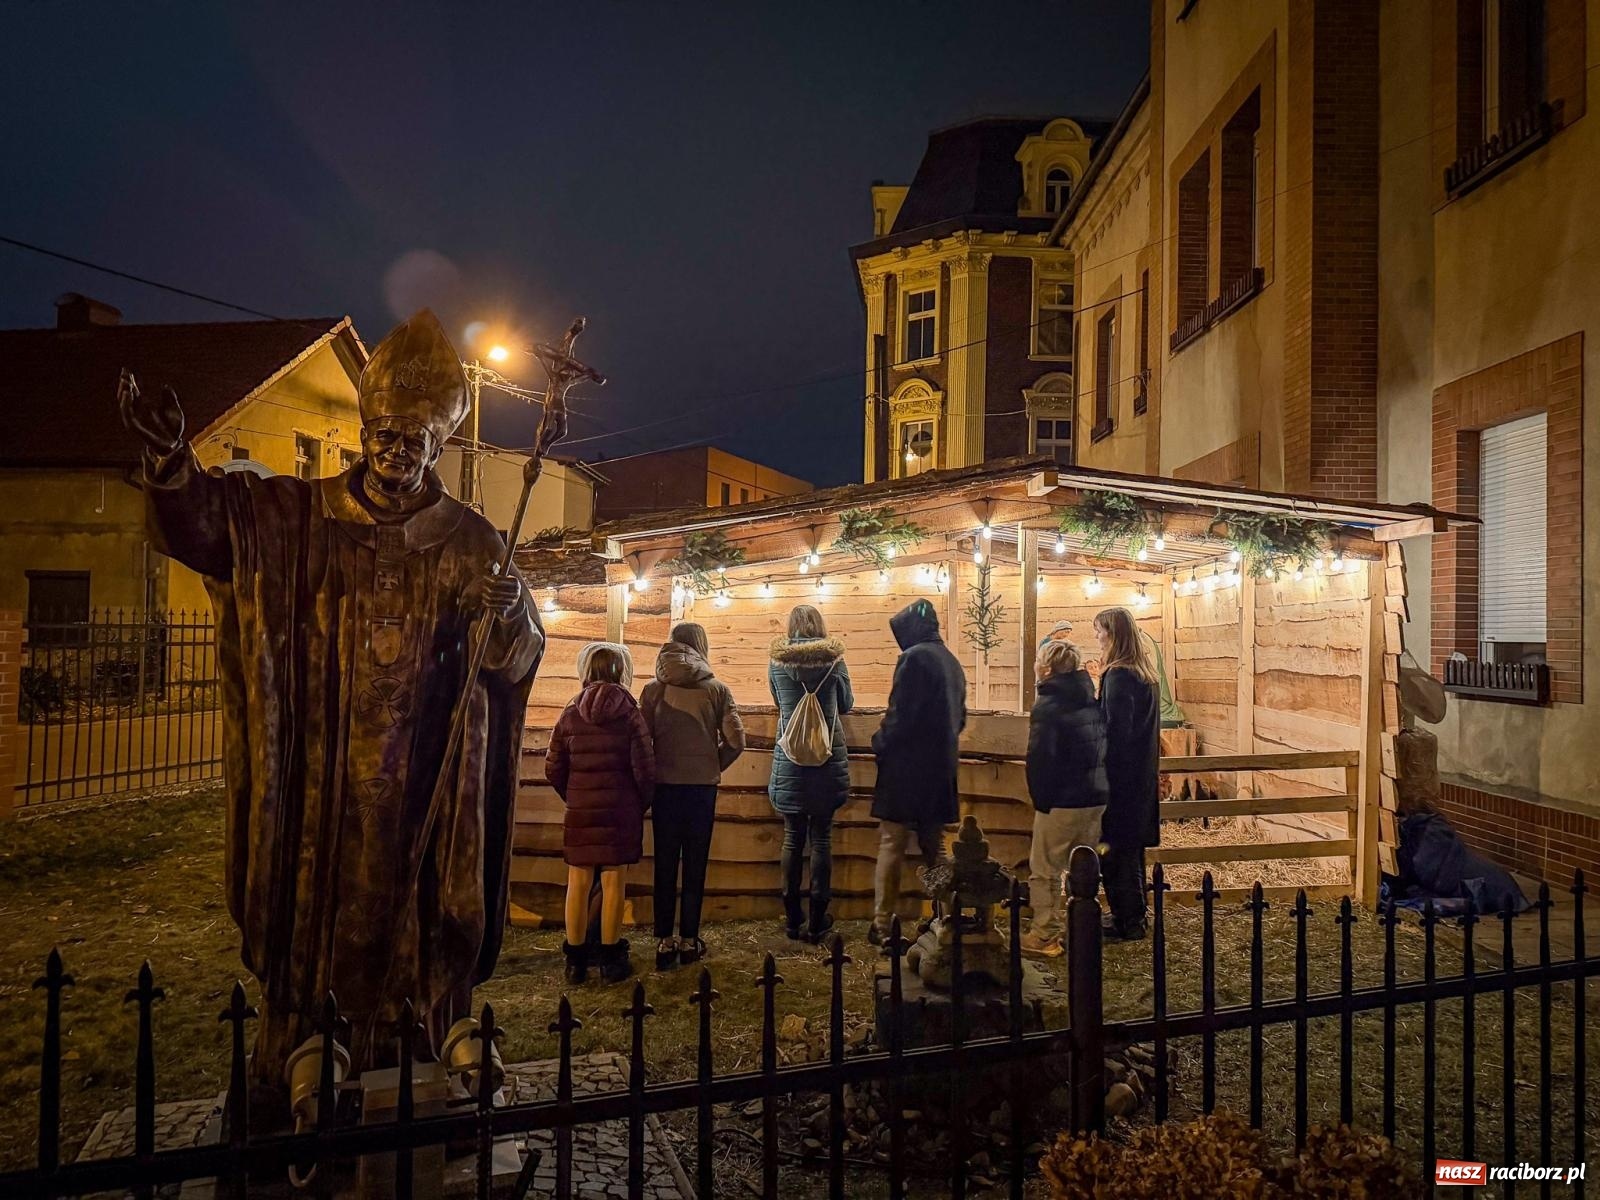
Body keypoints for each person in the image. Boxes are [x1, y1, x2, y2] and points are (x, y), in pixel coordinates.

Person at [120, 311, 544, 1091]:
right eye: (383, 435)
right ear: (363, 433)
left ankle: (426, 1041)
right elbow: (209, 528)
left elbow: (514, 663)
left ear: (436, 446)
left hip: (426, 783)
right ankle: (307, 1049)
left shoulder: (475, 541)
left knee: (423, 912)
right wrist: (170, 460)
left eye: (412, 439)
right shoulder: (293, 517)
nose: (394, 452)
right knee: (315, 908)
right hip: (322, 781)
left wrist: (508, 610)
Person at [546, 645, 655, 983]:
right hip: (620, 810)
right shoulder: (631, 714)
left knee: (577, 884)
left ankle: (575, 963)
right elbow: (645, 770)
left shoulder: (570, 714)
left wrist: (575, 796)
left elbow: (553, 768)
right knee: (613, 883)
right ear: (621, 670)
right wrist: (638, 804)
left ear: (587, 671)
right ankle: (610, 960)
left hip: (580, 810)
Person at [641, 622, 745, 969]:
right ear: (701, 646)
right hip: (701, 789)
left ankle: (663, 942)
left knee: (665, 864)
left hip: (665, 789)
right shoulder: (718, 689)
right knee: (695, 864)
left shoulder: (653, 690)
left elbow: (642, 742)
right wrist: (711, 764)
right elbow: (736, 741)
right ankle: (689, 939)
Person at [870, 598, 967, 944]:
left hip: (905, 770)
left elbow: (901, 716)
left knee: (892, 843)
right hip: (940, 771)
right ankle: (949, 917)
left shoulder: (912, 659)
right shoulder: (953, 663)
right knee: (935, 847)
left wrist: (879, 741)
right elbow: (962, 719)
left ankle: (882, 925)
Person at [767, 605, 854, 942]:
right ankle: (818, 921)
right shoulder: (834, 661)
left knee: (792, 837)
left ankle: (791, 919)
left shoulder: (778, 661)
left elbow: (777, 700)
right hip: (827, 764)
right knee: (822, 838)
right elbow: (846, 703)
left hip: (790, 763)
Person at [1019, 639, 1109, 958]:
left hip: (1062, 801)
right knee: (1084, 867)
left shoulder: (1048, 706)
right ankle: (1082, 928)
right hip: (1095, 796)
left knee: (1045, 868)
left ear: (1047, 668)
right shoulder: (1091, 699)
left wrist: (1041, 799)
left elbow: (1041, 758)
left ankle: (1044, 934)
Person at [1094, 607, 1161, 940]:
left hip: (1119, 781)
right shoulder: (1144, 675)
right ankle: (1131, 915)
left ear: (1113, 635)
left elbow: (1115, 731)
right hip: (1139, 778)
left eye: (1100, 632)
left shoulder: (1119, 676)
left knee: (1117, 851)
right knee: (1131, 851)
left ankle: (1128, 920)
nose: (1097, 639)